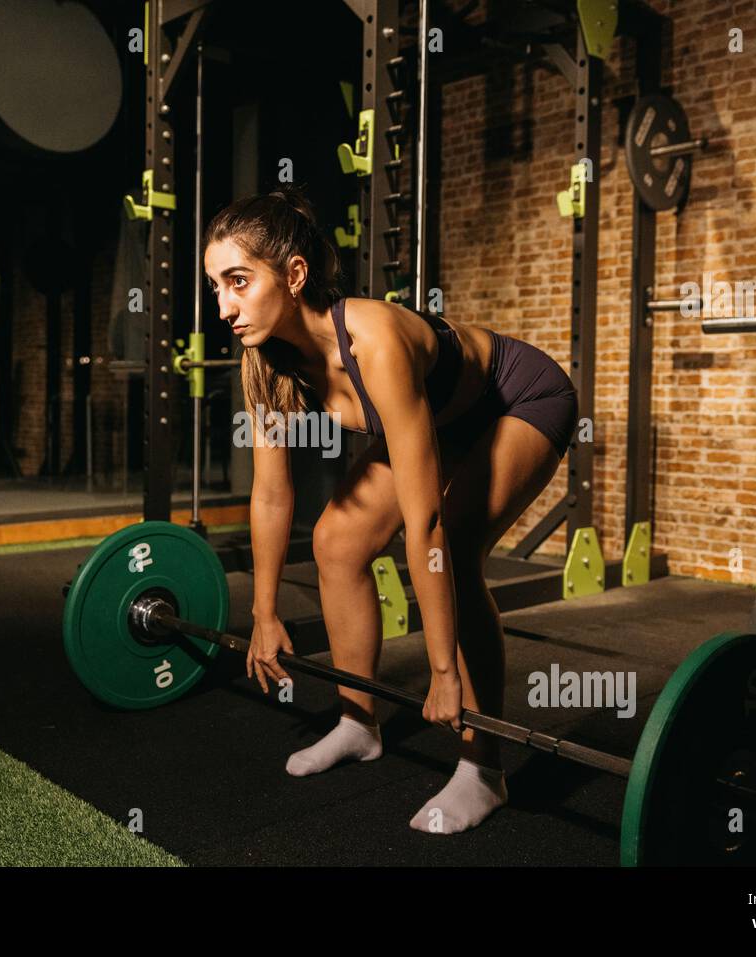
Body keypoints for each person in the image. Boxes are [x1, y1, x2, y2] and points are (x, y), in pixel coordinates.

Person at [203, 187, 577, 834]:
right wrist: (263, 613)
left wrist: (441, 669)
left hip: (516, 400)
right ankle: (358, 719)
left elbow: (423, 522)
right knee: (337, 541)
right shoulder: (263, 360)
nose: (225, 306)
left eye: (238, 281)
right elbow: (269, 492)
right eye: (215, 287)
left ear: (293, 275)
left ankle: (483, 766)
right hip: (444, 420)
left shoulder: (371, 339)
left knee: (455, 546)